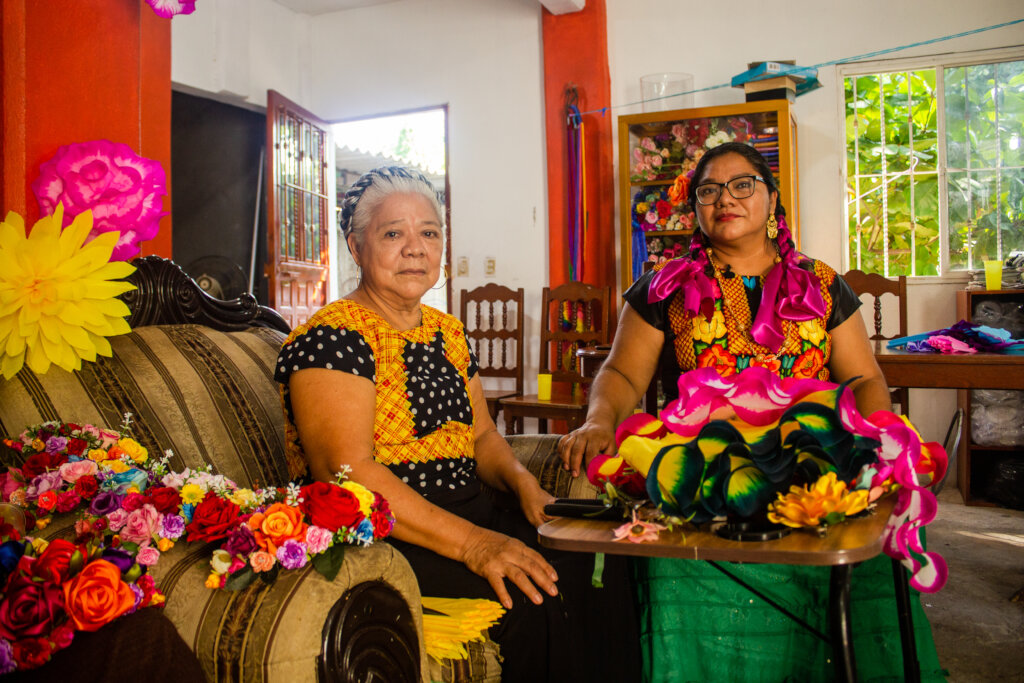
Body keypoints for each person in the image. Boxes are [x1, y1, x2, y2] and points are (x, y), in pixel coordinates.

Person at [558, 142, 945, 682]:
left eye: (743, 185)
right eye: (709, 190)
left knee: (872, 538)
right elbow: (623, 375)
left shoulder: (823, 282)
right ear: (694, 207)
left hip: (814, 463)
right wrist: (599, 420)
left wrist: (881, 438)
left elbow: (862, 378)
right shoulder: (662, 287)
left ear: (772, 199)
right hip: (703, 466)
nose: (726, 199)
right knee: (676, 556)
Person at [275, 166, 640, 683]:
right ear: (356, 248)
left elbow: (484, 436)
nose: (415, 248)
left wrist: (522, 482)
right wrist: (475, 545)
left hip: (471, 507)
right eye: (392, 233)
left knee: (597, 556)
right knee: (528, 594)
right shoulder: (332, 337)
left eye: (429, 232)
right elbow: (349, 472)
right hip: (389, 535)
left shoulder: (449, 331)